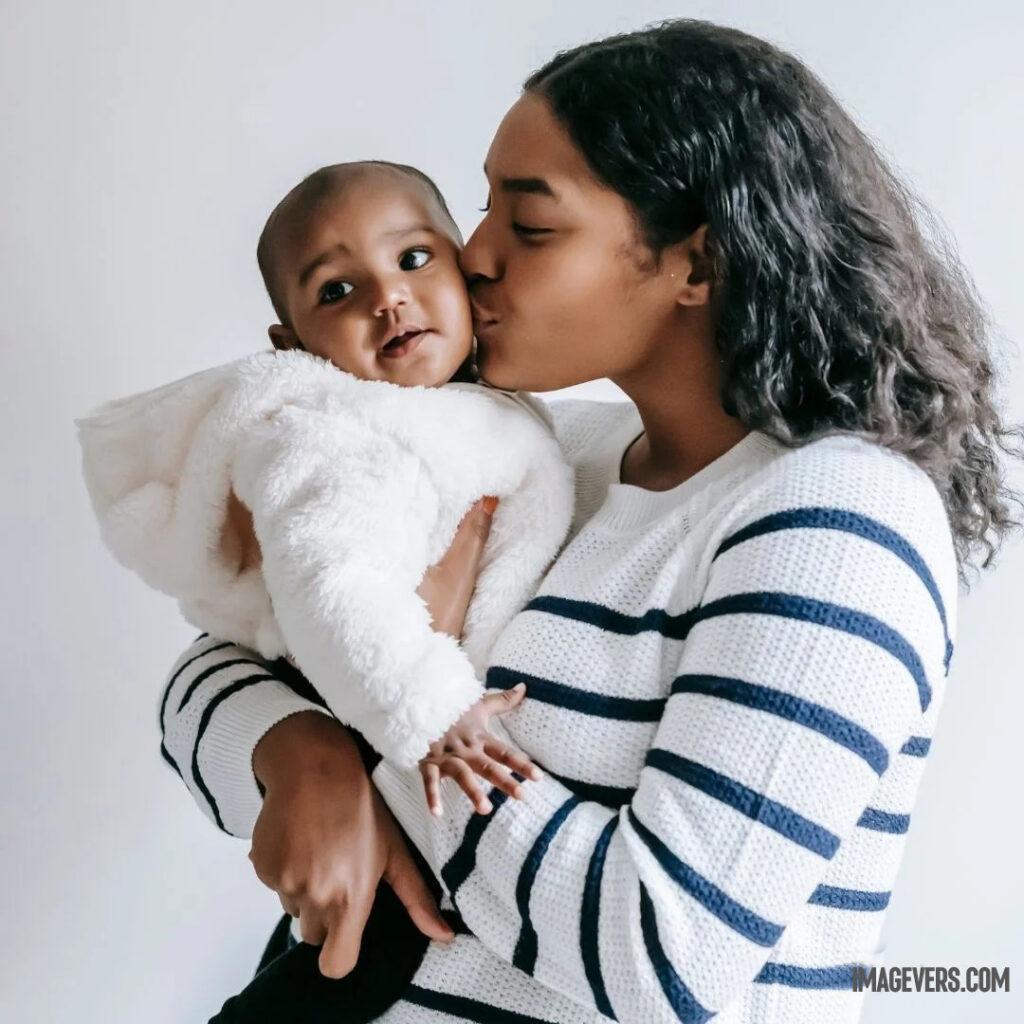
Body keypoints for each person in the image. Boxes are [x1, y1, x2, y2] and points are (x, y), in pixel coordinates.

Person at [162, 19, 1020, 1024]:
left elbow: (656, 954)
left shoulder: (835, 523)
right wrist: (296, 753)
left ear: (694, 265)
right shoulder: (541, 456)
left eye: (528, 226)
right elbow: (215, 665)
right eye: (481, 207)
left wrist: (396, 720)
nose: (466, 256)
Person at [81, 160, 562, 804]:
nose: (386, 297)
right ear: (294, 345)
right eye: (336, 291)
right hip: (411, 751)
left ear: (463, 266)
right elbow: (331, 585)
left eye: (413, 258)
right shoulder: (329, 437)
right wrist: (432, 708)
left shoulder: (493, 412)